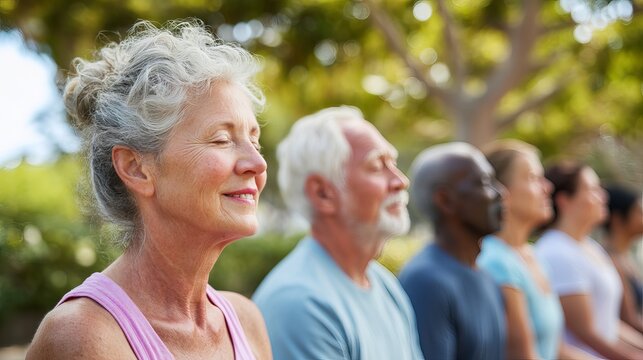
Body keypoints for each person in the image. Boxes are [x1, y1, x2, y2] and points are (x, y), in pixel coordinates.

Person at [27, 20, 271, 359]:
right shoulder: (84, 336)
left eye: (254, 141)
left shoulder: (246, 321)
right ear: (136, 168)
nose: (256, 165)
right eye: (222, 139)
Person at [252, 106, 423, 360]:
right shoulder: (299, 304)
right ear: (322, 193)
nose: (400, 180)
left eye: (393, 163)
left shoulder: (385, 284)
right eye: (377, 165)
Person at [477, 140, 590, 359]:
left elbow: (554, 349)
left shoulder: (531, 254)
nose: (547, 187)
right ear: (502, 193)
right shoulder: (495, 262)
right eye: (533, 178)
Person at [398, 142, 506, 360]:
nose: (501, 193)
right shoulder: (426, 283)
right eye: (484, 183)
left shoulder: (485, 276)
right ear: (445, 200)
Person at [535, 161, 643, 359]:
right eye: (592, 189)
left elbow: (609, 324)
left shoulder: (591, 247)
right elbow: (585, 332)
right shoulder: (556, 252)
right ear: (564, 200)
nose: (603, 197)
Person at [603, 184, 643, 334]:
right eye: (638, 212)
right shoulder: (611, 259)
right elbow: (629, 320)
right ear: (618, 218)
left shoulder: (625, 257)